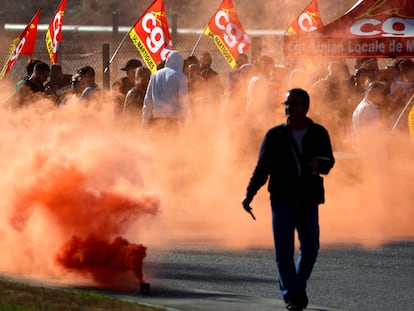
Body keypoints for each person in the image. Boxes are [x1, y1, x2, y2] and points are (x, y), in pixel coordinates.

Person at [242, 88, 335, 311]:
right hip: (282, 199)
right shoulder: (275, 135)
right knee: (283, 253)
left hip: (308, 199)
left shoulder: (318, 133)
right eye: (286, 104)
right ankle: (292, 297)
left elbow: (329, 163)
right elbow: (262, 168)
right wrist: (249, 194)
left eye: (293, 104)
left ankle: (296, 287)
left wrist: (318, 164)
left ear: (306, 107)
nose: (288, 108)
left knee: (311, 249)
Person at [142, 50, 191, 135]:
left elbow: (148, 100)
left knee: (158, 145)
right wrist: (187, 121)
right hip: (172, 121)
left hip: (156, 120)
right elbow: (184, 101)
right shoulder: (180, 77)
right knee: (171, 145)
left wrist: (144, 120)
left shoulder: (155, 75)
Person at [351, 81, 388, 155]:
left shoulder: (364, 106)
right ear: (373, 92)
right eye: (381, 93)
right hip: (371, 150)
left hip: (365, 148)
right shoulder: (368, 108)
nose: (383, 96)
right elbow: (370, 132)